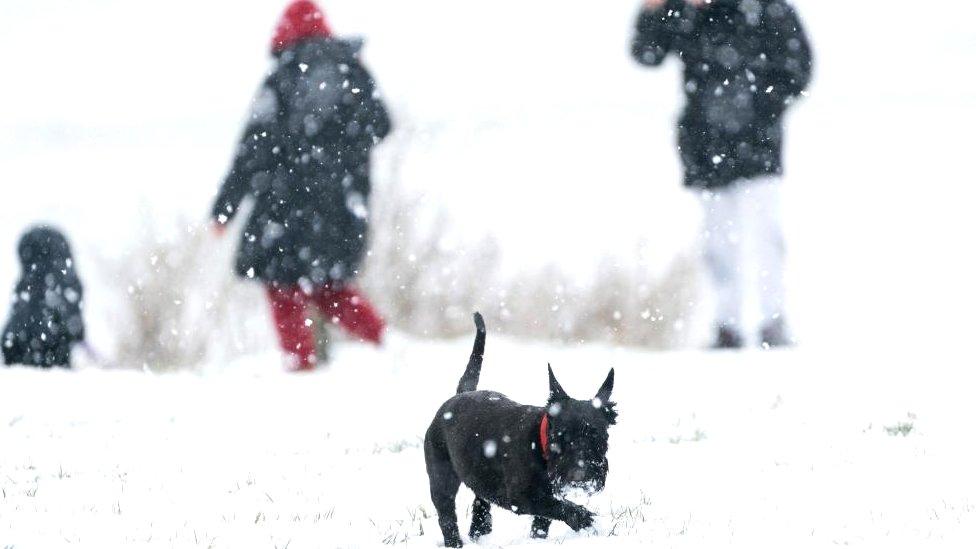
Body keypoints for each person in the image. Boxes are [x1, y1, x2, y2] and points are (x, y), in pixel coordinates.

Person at [212, 0, 391, 370]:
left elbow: (253, 147)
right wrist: (340, 155)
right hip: (342, 205)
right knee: (331, 288)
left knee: (283, 287)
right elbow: (381, 124)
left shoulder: (282, 79)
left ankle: (301, 366)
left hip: (285, 206)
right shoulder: (353, 71)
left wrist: (224, 208)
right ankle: (387, 344)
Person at [631, 0, 812, 349]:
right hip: (705, 148)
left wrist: (755, 110)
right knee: (718, 242)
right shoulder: (686, 11)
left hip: (758, 147)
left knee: (765, 236)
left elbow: (798, 69)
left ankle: (772, 321)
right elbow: (646, 54)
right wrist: (652, 10)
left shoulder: (768, 9)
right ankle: (726, 324)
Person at [2, 226, 86, 368]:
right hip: (54, 354)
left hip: (19, 350)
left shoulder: (25, 287)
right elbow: (74, 326)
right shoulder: (67, 284)